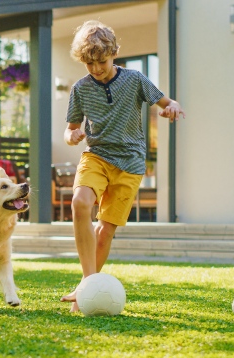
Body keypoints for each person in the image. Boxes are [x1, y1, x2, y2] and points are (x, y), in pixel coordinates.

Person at [60, 20, 185, 312]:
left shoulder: (135, 79)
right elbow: (70, 131)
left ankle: (83, 289)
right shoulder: (80, 89)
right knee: (80, 203)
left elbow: (168, 102)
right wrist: (73, 135)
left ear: (114, 53)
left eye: (101, 61)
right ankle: (89, 286)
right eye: (89, 64)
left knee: (105, 230)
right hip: (97, 156)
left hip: (130, 163)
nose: (96, 69)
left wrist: (172, 109)